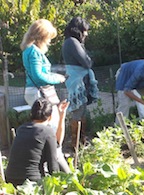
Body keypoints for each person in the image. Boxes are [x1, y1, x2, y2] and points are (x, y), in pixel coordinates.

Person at [21, 19, 66, 132]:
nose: (50, 41)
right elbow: (38, 76)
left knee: (43, 126)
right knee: (52, 124)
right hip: (39, 92)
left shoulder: (28, 50)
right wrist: (57, 79)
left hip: (34, 91)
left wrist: (53, 75)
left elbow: (39, 72)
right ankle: (54, 148)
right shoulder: (34, 52)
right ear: (42, 37)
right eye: (49, 37)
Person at [5, 98, 62, 186]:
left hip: (10, 178)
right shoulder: (47, 132)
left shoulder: (21, 129)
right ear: (50, 117)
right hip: (31, 181)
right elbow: (53, 166)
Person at [62, 16, 99, 148]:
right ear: (78, 30)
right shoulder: (72, 42)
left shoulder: (71, 42)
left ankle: (80, 140)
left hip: (79, 80)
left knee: (81, 111)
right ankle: (75, 144)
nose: (86, 34)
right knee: (78, 112)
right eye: (85, 31)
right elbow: (87, 62)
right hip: (77, 82)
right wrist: (89, 58)